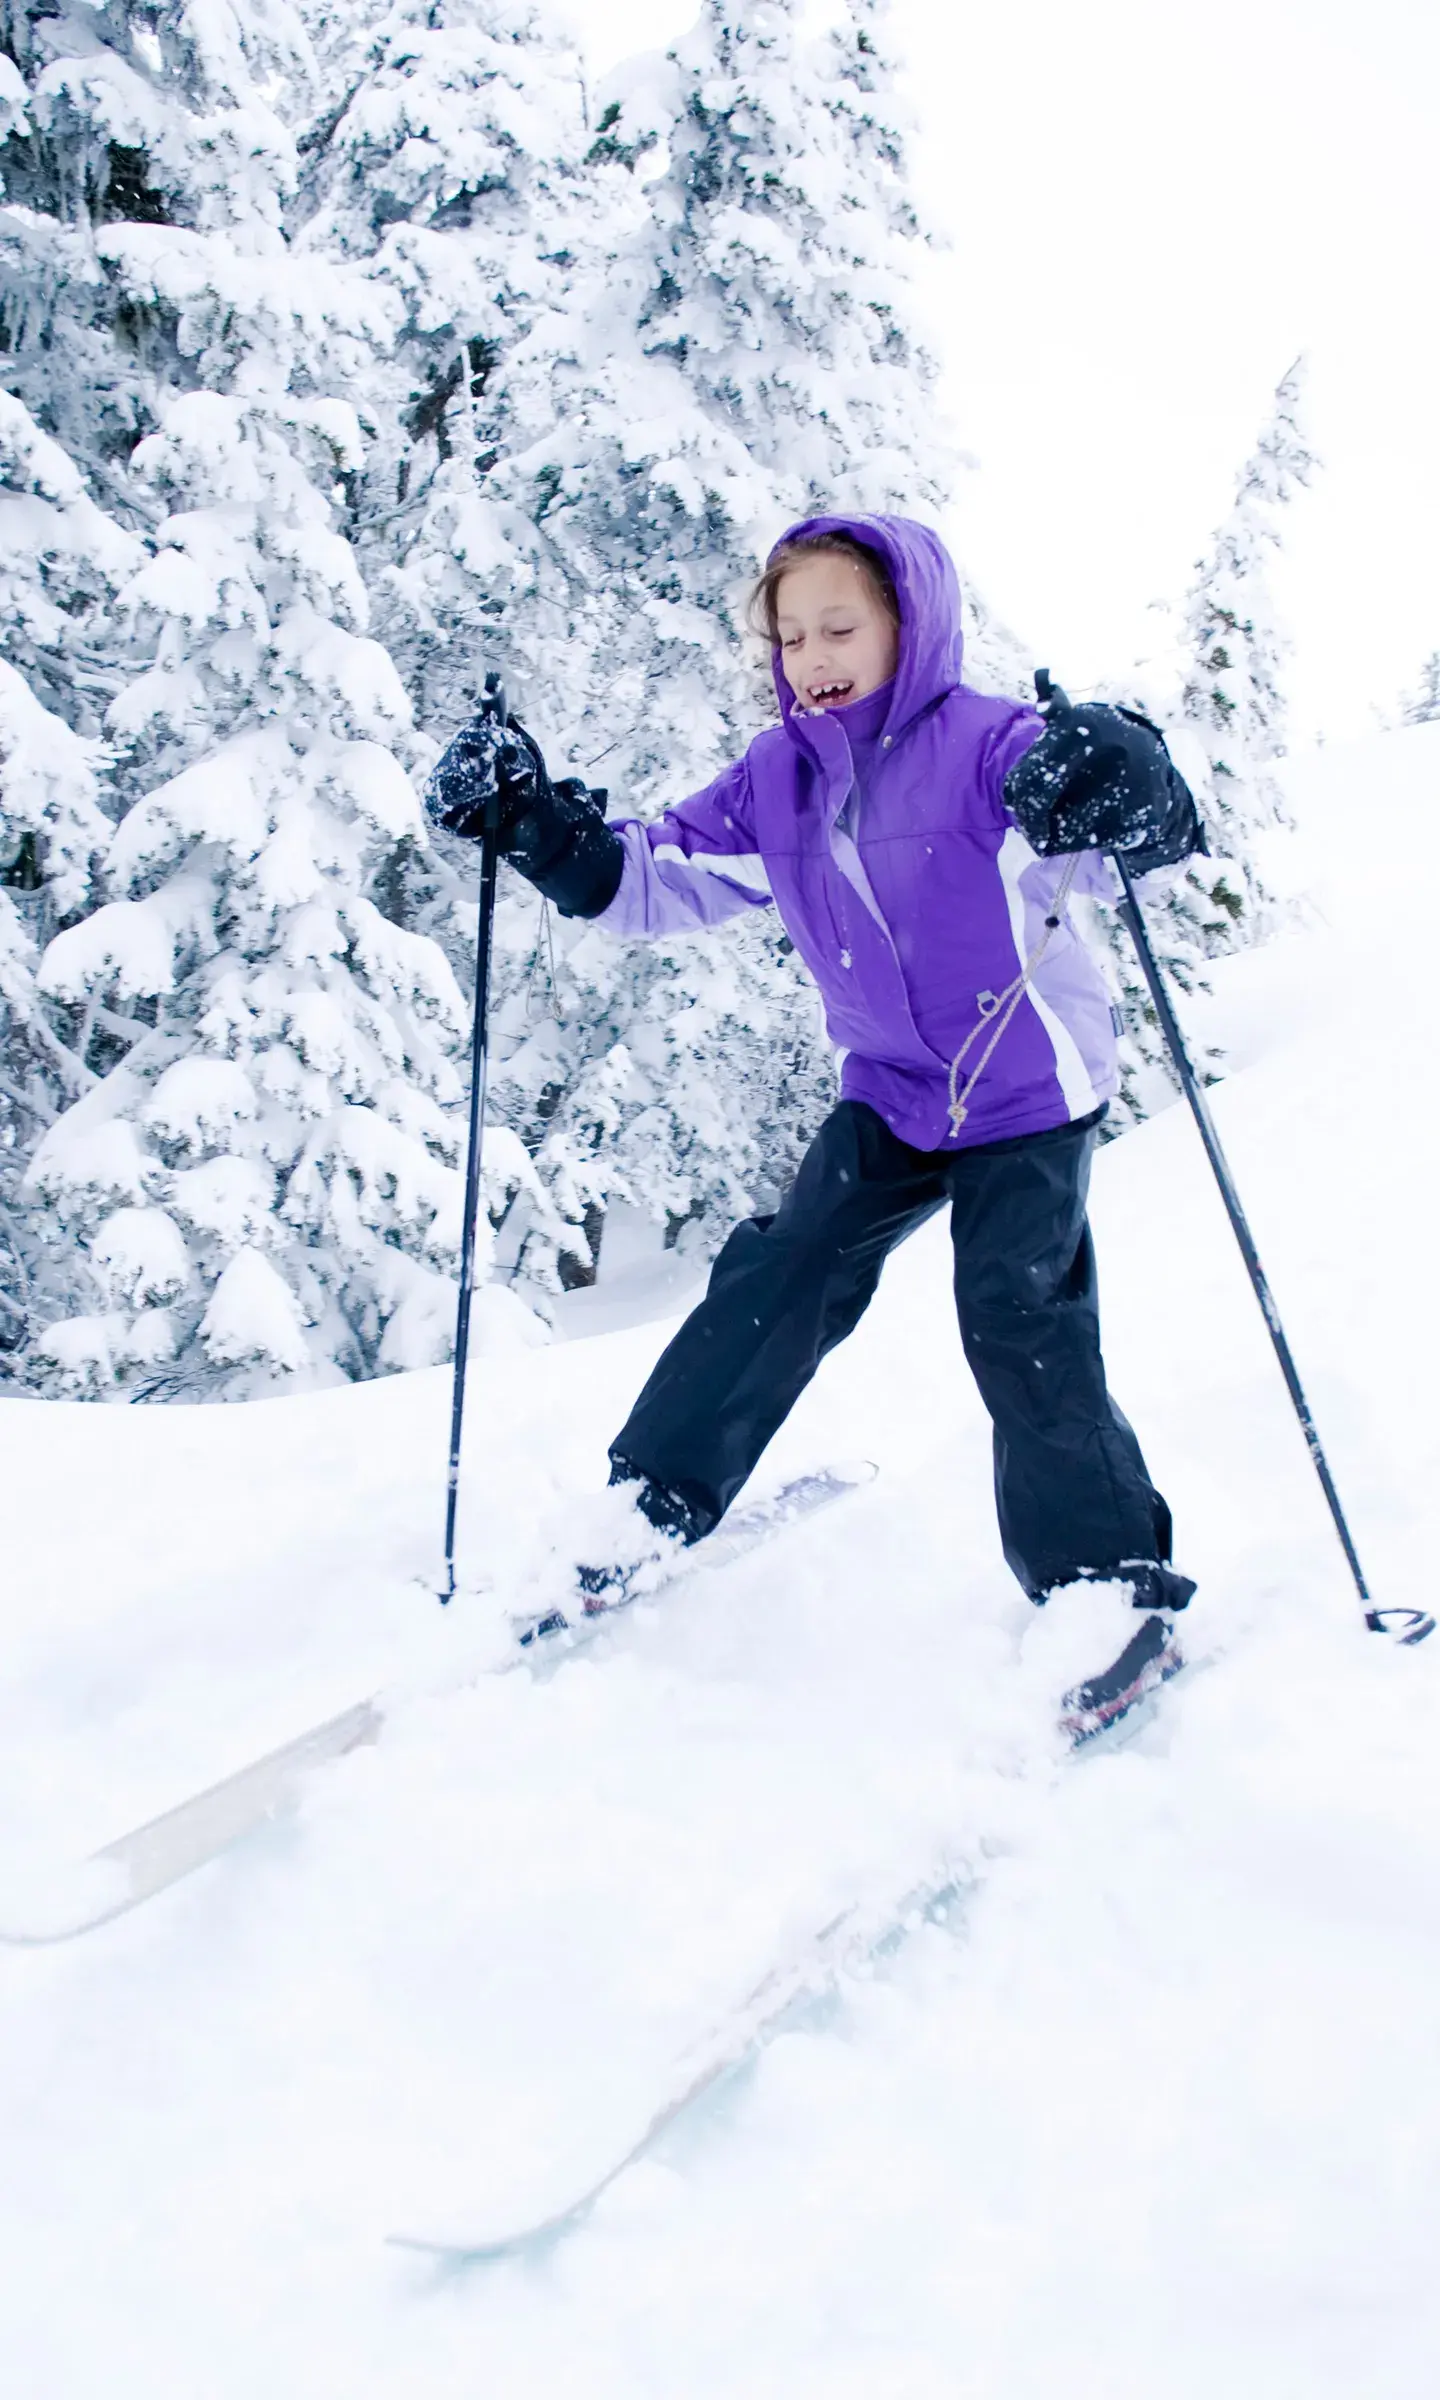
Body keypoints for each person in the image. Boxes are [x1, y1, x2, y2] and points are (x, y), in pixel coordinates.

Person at [426, 513, 1201, 1628]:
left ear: (911, 625)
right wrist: (539, 829)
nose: (813, 659)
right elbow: (651, 876)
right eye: (790, 638)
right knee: (785, 1268)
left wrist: (1134, 781)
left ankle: (1101, 1584)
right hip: (890, 1090)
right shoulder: (776, 779)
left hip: (1028, 1092)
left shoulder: (993, 748)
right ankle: (647, 1506)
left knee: (1015, 1307)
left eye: (840, 627)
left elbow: (1122, 841)